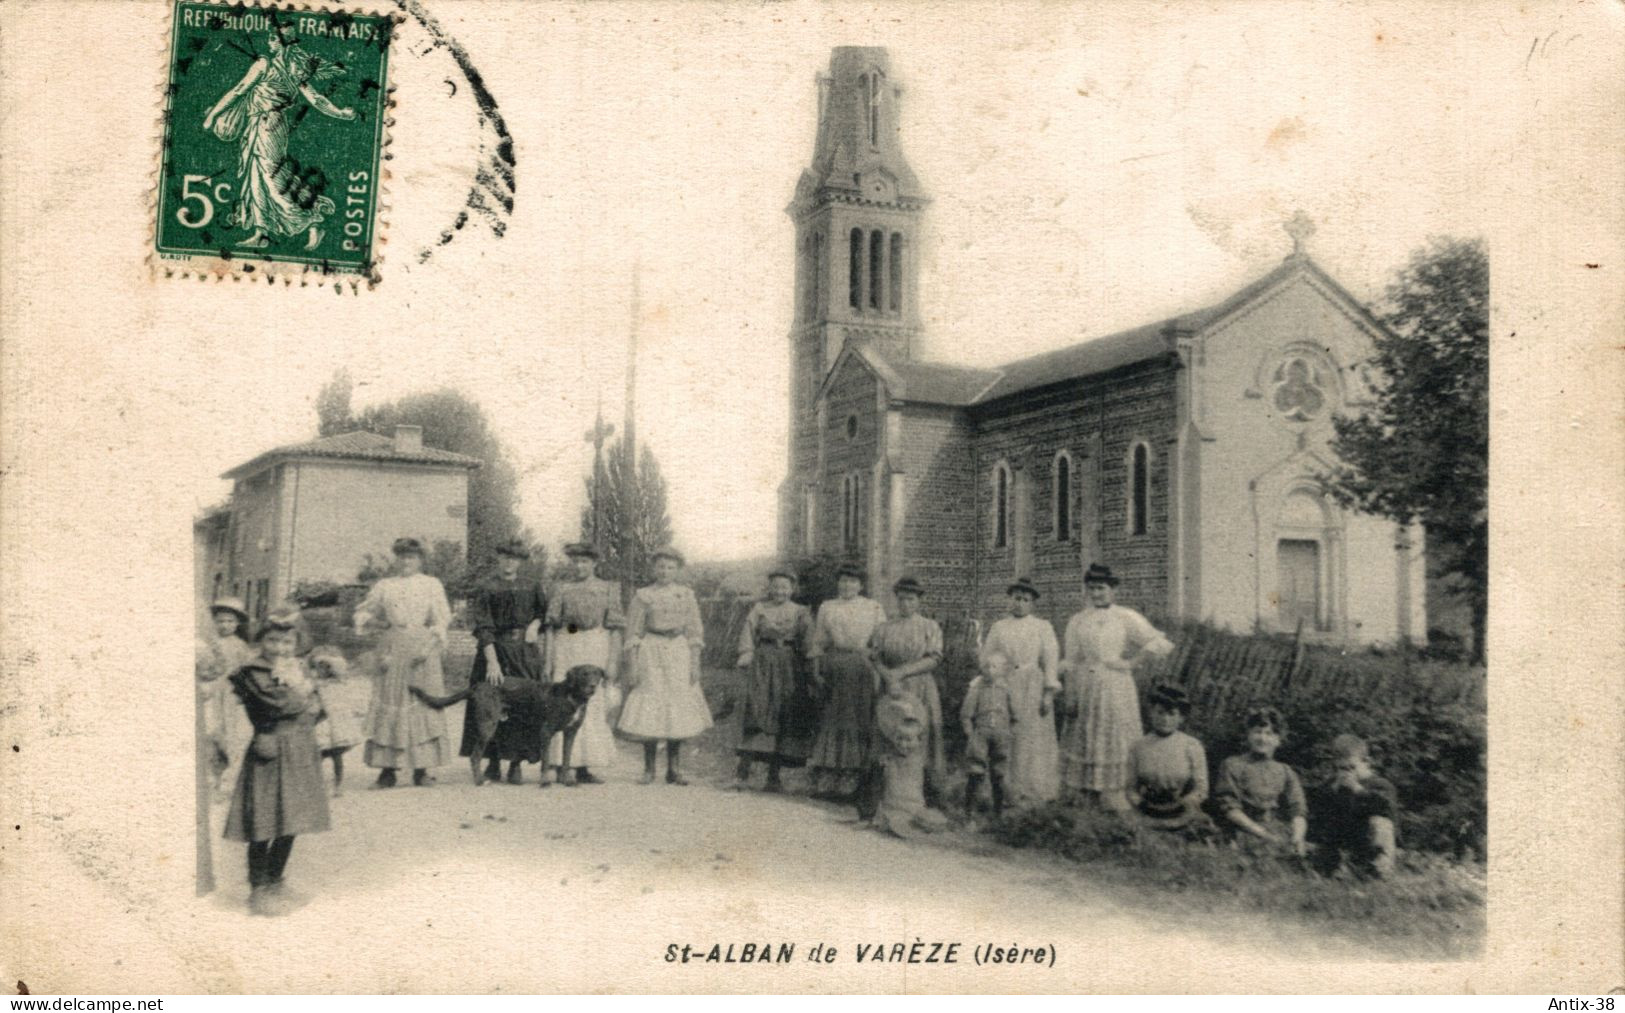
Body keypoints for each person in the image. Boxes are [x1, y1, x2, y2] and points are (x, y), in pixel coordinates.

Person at [201, 29, 356, 249]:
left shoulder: (264, 64)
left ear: (283, 43)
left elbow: (238, 91)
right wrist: (339, 113)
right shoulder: (295, 70)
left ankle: (313, 220)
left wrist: (212, 115)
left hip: (266, 126)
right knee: (258, 176)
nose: (269, 41)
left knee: (270, 177)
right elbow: (318, 100)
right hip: (266, 125)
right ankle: (261, 231)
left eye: (274, 38)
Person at [222, 608, 330, 916]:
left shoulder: (296, 669)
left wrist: (308, 693)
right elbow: (282, 705)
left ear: (295, 643)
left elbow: (318, 709)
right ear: (261, 640)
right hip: (271, 748)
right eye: (272, 641)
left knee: (292, 818)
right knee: (264, 819)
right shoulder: (253, 671)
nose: (280, 648)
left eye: (286, 642)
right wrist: (306, 692)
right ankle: (258, 888)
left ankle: (276, 880)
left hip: (299, 748)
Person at [1059, 563, 1175, 809]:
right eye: (1091, 589)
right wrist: (1070, 694)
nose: (1096, 594)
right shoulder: (1078, 620)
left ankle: (1116, 794)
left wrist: (1132, 662)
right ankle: (1086, 793)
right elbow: (1071, 660)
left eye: (1101, 588)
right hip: (1085, 683)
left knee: (1113, 732)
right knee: (1085, 732)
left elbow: (1158, 642)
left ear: (1112, 590)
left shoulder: (1125, 616)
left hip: (1115, 684)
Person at [353, 537, 452, 788]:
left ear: (420, 560)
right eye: (402, 556)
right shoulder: (385, 585)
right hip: (392, 648)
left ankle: (421, 769)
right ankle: (387, 770)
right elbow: (363, 612)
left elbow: (441, 620)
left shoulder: (431, 584)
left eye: (412, 557)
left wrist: (429, 647)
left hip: (422, 648)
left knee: (422, 704)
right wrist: (380, 624)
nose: (406, 561)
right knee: (392, 702)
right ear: (396, 559)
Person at [618, 547, 711, 785]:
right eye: (660, 566)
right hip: (652, 650)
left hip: (679, 651)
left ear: (678, 570)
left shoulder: (686, 595)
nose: (665, 571)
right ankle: (649, 768)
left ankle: (674, 768)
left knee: (676, 708)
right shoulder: (643, 596)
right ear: (653, 569)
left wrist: (695, 662)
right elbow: (633, 632)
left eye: (670, 567)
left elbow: (695, 630)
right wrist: (633, 665)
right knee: (651, 706)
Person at [464, 539, 548, 785]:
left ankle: (516, 763)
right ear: (498, 558)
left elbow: (543, 613)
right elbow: (483, 627)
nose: (509, 562)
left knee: (524, 707)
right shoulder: (487, 587)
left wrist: (534, 625)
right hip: (495, 652)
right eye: (504, 557)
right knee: (489, 706)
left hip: (524, 653)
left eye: (514, 558)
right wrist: (492, 662)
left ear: (520, 561)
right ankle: (492, 762)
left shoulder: (531, 585)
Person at [805, 563, 888, 799]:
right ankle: (828, 776)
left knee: (857, 719)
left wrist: (873, 661)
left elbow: (880, 642)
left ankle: (853, 779)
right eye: (843, 580)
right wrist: (816, 669)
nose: (847, 585)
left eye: (852, 581)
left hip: (861, 669)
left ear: (861, 585)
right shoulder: (827, 607)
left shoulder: (873, 607)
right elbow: (819, 641)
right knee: (831, 719)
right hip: (834, 666)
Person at [545, 543, 623, 786]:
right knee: (563, 703)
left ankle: (584, 767)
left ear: (594, 563)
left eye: (585, 562)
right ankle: (560, 765)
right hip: (568, 646)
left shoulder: (608, 589)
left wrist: (612, 662)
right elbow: (551, 626)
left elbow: (616, 629)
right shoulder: (562, 589)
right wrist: (548, 660)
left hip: (597, 646)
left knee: (593, 706)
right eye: (576, 562)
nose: (580, 566)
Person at [866, 576, 946, 808]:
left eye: (910, 600)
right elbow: (875, 656)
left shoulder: (929, 627)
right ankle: (885, 793)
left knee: (921, 733)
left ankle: (926, 794)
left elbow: (933, 659)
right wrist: (888, 676)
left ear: (918, 601)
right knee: (889, 730)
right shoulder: (884, 628)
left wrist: (901, 673)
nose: (905, 604)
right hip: (891, 688)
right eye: (901, 599)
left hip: (919, 685)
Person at [980, 577, 1062, 805]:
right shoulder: (999, 627)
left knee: (1031, 736)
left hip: (1032, 686)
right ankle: (1004, 790)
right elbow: (986, 657)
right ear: (1010, 600)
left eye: (1025, 600)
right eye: (1016, 598)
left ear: (1032, 603)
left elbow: (1051, 660)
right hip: (1005, 684)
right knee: (1006, 735)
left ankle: (1033, 791)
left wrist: (1048, 693)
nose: (1020, 604)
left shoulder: (1042, 627)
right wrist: (993, 676)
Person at [733, 569, 813, 791]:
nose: (780, 591)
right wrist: (747, 654)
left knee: (783, 714)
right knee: (757, 710)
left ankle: (774, 777)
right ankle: (742, 772)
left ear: (792, 590)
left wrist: (810, 666)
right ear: (769, 589)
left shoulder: (800, 612)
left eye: (785, 587)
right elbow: (748, 632)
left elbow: (808, 643)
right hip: (763, 663)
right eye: (776, 587)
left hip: (789, 665)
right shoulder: (759, 609)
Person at [1214, 706, 1308, 856]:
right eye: (1257, 732)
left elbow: (1298, 808)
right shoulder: (1233, 765)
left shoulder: (1285, 771)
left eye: (1269, 733)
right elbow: (1230, 809)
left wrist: (1297, 837)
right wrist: (1264, 835)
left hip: (1278, 829)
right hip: (1245, 830)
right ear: (1248, 735)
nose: (1262, 738)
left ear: (1278, 740)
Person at [1125, 683, 1211, 833]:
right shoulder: (1137, 746)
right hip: (1147, 809)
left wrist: (1183, 804)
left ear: (1181, 718)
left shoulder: (1192, 746)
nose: (1165, 719)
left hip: (1181, 809)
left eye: (1171, 714)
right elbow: (1130, 788)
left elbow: (1201, 789)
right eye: (1160, 712)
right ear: (1151, 713)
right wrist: (1141, 804)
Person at [1312, 733, 1399, 878]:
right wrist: (1333, 792)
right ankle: (1334, 866)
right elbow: (1319, 813)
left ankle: (1381, 867)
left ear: (1366, 762)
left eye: (1351, 767)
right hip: (1348, 842)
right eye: (1340, 768)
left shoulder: (1381, 785)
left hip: (1372, 842)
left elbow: (1385, 807)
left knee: (1380, 823)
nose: (1345, 773)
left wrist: (1358, 790)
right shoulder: (1332, 785)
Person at [869, 685, 949, 838]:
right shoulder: (886, 761)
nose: (903, 744)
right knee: (892, 821)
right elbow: (874, 789)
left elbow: (932, 791)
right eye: (899, 738)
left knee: (931, 821)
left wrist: (938, 807)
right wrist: (869, 811)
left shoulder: (922, 764)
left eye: (909, 740)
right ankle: (894, 824)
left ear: (918, 741)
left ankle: (915, 825)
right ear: (892, 738)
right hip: (892, 808)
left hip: (915, 810)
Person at [199, 596, 255, 792]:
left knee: (229, 732)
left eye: (230, 621)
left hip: (230, 692)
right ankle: (211, 774)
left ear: (237, 623)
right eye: (220, 620)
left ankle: (225, 777)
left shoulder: (240, 645)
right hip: (212, 689)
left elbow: (246, 670)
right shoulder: (210, 643)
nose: (225, 625)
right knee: (210, 730)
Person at [960, 651, 1019, 825]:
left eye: (994, 666)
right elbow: (966, 713)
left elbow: (1016, 714)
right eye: (987, 666)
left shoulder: (1007, 689)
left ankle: (998, 814)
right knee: (976, 771)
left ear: (1003, 670)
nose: (989, 669)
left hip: (1001, 734)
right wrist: (970, 733)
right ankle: (969, 814)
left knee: (998, 774)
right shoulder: (977, 688)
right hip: (981, 733)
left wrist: (1010, 732)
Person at [308, 646, 366, 796]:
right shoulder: (316, 685)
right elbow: (313, 703)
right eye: (318, 668)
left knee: (336, 755)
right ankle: (314, 784)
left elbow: (340, 665)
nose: (321, 671)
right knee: (319, 754)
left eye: (325, 668)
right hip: (321, 723)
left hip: (335, 725)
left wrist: (326, 658)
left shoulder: (338, 684)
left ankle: (337, 785)